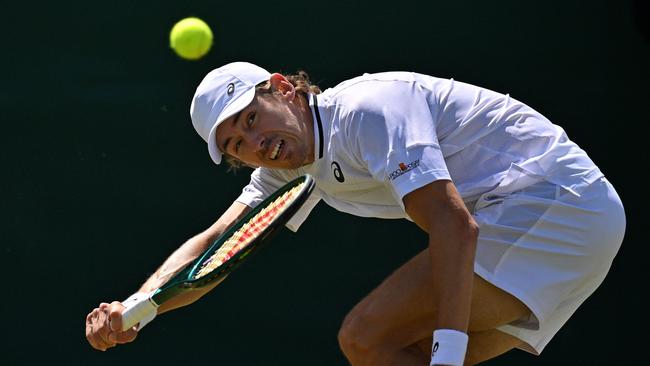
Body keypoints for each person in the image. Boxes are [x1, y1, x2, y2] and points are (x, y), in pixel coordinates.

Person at [85, 62, 626, 365]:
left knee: (366, 337)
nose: (254, 142)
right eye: (236, 144)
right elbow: (216, 246)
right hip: (576, 218)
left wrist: (447, 355)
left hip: (555, 203)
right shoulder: (290, 167)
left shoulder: (366, 111)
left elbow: (453, 225)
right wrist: (137, 307)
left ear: (281, 89)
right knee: (393, 352)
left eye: (251, 118)